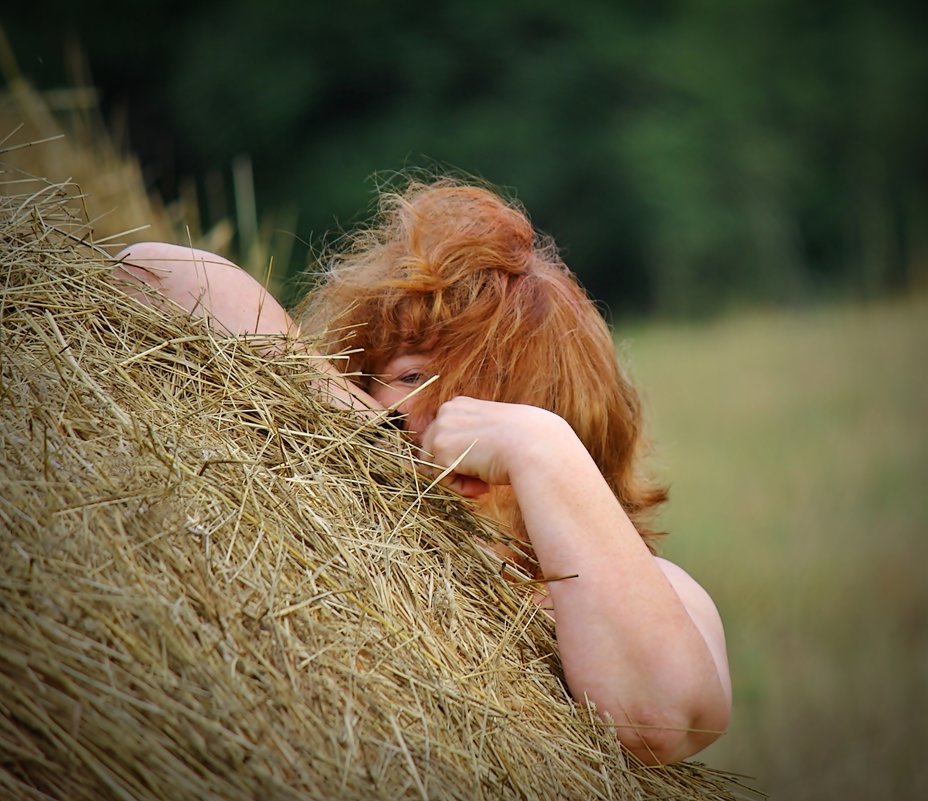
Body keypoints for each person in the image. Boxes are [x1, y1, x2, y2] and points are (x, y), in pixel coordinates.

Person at [113, 177, 731, 765]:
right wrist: (364, 440)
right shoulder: (335, 519)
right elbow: (149, 270)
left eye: (494, 391)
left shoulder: (659, 589)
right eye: (410, 376)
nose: (445, 409)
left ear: (568, 422)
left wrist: (539, 449)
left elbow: (665, 718)